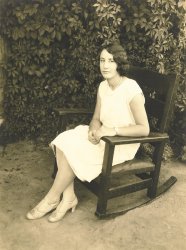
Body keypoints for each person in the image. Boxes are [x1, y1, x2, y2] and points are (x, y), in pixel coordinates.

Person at [26, 41, 149, 222]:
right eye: (102, 60)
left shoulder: (131, 89)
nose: (105, 65)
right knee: (63, 141)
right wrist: (93, 129)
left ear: (119, 64)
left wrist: (112, 131)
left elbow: (144, 129)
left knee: (71, 150)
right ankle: (68, 198)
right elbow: (96, 117)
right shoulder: (103, 86)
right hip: (101, 136)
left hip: (120, 143)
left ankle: (51, 199)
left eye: (110, 60)